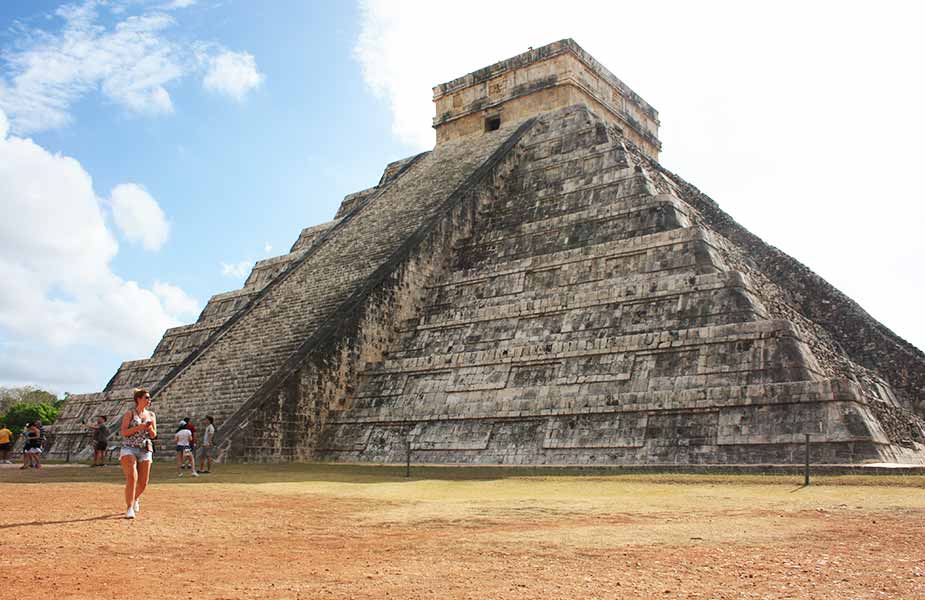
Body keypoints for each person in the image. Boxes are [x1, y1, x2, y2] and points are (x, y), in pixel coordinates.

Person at [120, 388, 157, 519]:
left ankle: (135, 498)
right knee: (132, 477)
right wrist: (139, 428)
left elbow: (153, 435)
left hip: (145, 448)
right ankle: (129, 507)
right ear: (138, 399)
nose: (149, 400)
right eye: (146, 397)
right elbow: (124, 432)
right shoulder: (129, 414)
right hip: (129, 448)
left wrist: (150, 427)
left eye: (149, 397)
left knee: (143, 482)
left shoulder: (151, 415)